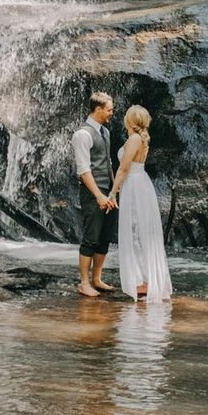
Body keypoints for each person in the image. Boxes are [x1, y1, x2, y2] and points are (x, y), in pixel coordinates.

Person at [107, 105, 172, 303]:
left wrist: (112, 192)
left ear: (130, 120)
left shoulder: (135, 138)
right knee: (139, 230)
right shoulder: (140, 138)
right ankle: (144, 278)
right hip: (138, 183)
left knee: (136, 229)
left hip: (134, 185)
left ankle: (143, 281)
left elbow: (124, 168)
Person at [71, 90, 118, 298]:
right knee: (91, 237)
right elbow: (83, 170)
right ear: (98, 109)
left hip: (109, 192)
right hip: (93, 194)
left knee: (105, 237)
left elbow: (108, 164)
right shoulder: (82, 134)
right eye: (109, 110)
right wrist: (99, 195)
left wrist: (114, 192)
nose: (111, 113)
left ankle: (97, 279)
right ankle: (84, 283)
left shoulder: (105, 132)